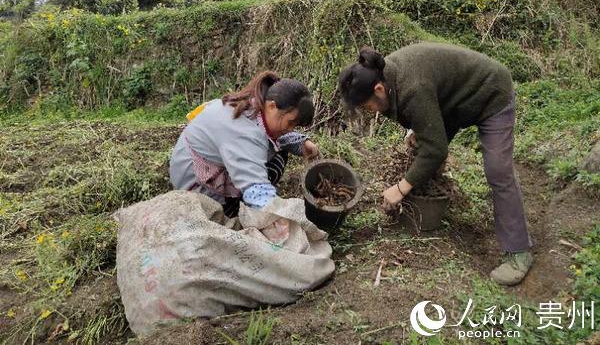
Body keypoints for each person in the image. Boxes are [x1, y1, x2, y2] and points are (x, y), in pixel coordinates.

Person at [338, 41, 534, 286]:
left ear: (379, 89)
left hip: (491, 94)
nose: (371, 112)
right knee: (422, 147)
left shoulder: (412, 87)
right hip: (456, 102)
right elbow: (431, 112)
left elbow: (436, 149)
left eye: (368, 106)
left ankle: (518, 252)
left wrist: (400, 189)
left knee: (498, 171)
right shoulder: (388, 74)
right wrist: (421, 132)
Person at [170, 71, 319, 217]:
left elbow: (275, 135)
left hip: (209, 161)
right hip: (195, 182)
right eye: (290, 122)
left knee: (280, 150)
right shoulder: (244, 132)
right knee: (229, 217)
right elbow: (258, 192)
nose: (290, 129)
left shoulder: (254, 105)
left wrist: (302, 142)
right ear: (272, 106)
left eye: (296, 126)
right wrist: (281, 217)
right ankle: (230, 209)